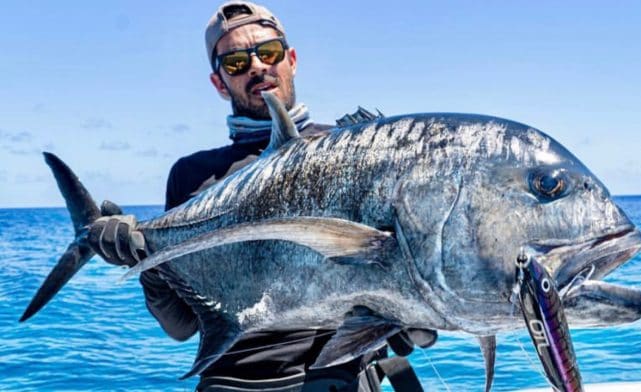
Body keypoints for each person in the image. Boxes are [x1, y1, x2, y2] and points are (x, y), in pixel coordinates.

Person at [88, 2, 435, 391]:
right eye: (236, 62)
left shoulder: (361, 152)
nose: (256, 66)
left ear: (291, 59)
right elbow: (182, 326)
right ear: (220, 83)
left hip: (338, 379)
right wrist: (147, 262)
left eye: (267, 53)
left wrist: (411, 312)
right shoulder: (192, 175)